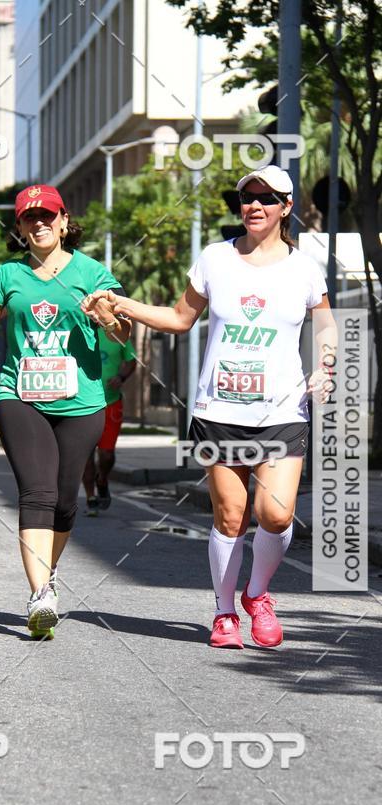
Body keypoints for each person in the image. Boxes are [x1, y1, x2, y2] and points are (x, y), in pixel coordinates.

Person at [86, 165, 337, 650]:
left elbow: (326, 325)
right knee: (231, 516)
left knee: (276, 514)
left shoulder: (304, 269)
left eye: (267, 198)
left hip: (282, 411)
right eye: (247, 198)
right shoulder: (215, 258)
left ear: (286, 207)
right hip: (220, 411)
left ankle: (257, 595)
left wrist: (325, 366)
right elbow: (180, 318)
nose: (255, 205)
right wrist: (123, 304)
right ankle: (224, 613)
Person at [0, 183, 131, 637]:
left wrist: (108, 318)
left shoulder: (92, 272)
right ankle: (40, 595)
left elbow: (122, 334)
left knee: (65, 502)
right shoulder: (7, 275)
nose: (40, 222)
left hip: (81, 402)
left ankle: (46, 576)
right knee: (37, 493)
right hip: (20, 396)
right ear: (20, 227)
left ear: (64, 222)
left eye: (48, 215)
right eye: (30, 217)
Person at [82, 328, 136, 515]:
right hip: (83, 403)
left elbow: (131, 361)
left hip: (111, 403)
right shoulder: (81, 330)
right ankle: (90, 497)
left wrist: (121, 377)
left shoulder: (118, 333)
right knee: (85, 454)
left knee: (106, 455)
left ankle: (102, 479)